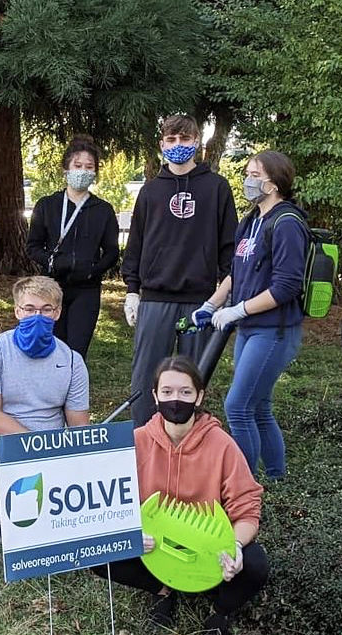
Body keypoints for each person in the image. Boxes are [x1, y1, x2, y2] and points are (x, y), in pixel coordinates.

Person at [98, 356, 267, 635]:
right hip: (155, 545)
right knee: (98, 550)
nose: (175, 399)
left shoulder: (222, 444)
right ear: (155, 396)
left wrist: (235, 546)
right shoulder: (136, 441)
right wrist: (131, 533)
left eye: (185, 392)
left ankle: (220, 612)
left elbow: (247, 509)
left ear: (199, 396)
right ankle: (162, 590)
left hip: (206, 547)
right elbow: (111, 503)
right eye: (167, 392)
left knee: (255, 565)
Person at [121, 114, 238, 426]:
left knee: (193, 380)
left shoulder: (217, 188)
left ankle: (189, 447)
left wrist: (224, 296)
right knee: (146, 379)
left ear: (196, 142)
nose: (178, 145)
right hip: (155, 299)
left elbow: (230, 247)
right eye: (171, 140)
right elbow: (135, 245)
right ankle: (145, 443)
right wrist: (132, 291)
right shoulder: (149, 192)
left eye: (184, 139)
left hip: (200, 302)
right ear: (162, 144)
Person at [196, 151, 306, 479]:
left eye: (254, 173)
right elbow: (236, 273)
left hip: (274, 330)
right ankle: (275, 475)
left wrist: (238, 310)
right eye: (247, 172)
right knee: (258, 406)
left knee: (237, 406)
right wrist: (212, 305)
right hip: (249, 327)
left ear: (273, 182)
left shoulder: (287, 223)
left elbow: (286, 286)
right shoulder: (251, 220)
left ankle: (244, 485)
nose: (247, 179)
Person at [0, 277, 89, 519]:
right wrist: (36, 446)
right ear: (17, 311)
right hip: (2, 437)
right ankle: (1, 511)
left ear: (57, 313)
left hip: (53, 442)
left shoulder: (73, 361)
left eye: (46, 310)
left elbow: (79, 425)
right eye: (29, 309)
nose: (38, 316)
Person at [26, 135, 121, 359]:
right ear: (66, 169)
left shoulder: (103, 210)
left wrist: (93, 270)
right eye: (77, 166)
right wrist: (52, 261)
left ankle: (73, 392)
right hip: (51, 287)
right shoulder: (47, 205)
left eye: (89, 167)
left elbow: (111, 252)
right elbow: (33, 246)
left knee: (76, 352)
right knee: (50, 348)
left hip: (86, 290)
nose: (83, 171)